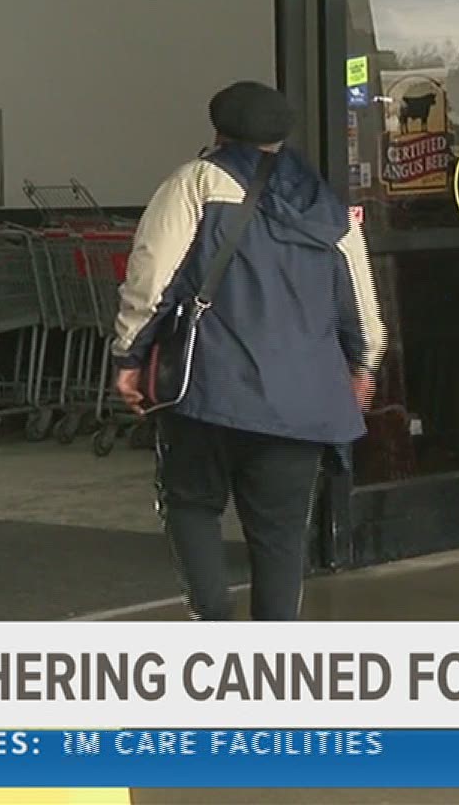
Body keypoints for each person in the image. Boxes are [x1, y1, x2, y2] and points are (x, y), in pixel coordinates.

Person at [111, 81, 385, 621]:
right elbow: (360, 301)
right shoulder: (324, 203)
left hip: (208, 387)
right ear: (281, 136)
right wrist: (362, 363)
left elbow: (152, 278)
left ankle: (213, 624)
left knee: (191, 504)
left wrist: (128, 357)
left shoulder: (194, 183)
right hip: (303, 400)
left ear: (218, 129)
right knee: (281, 535)